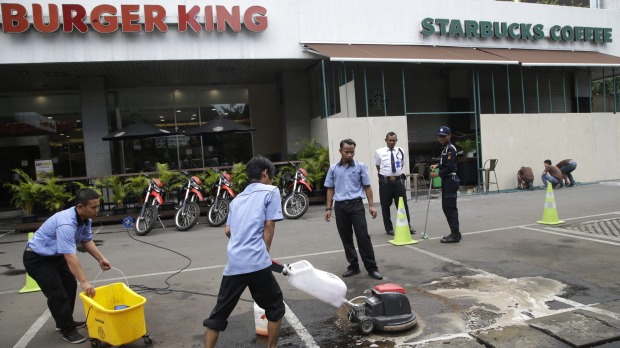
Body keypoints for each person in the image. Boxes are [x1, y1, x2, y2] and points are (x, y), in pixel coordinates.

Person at [204, 156, 285, 348]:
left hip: (234, 264)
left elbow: (228, 231)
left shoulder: (237, 199)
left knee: (218, 315)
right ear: (265, 173)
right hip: (257, 263)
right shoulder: (271, 191)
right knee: (275, 307)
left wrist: (241, 243)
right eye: (270, 176)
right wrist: (264, 251)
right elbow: (269, 225)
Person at [23, 188, 112, 344]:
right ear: (79, 207)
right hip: (37, 259)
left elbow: (86, 240)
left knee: (70, 285)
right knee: (57, 293)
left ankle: (64, 321)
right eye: (93, 207)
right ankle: (67, 330)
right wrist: (84, 281)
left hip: (54, 256)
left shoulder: (85, 219)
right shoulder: (66, 223)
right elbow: (70, 255)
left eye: (98, 206)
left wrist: (101, 258)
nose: (97, 210)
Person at [324, 139, 383, 280]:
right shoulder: (333, 169)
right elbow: (330, 189)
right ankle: (353, 266)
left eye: (352, 151)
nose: (350, 154)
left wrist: (371, 205)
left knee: (363, 237)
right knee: (346, 238)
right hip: (340, 207)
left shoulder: (360, 167)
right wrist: (328, 208)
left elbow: (367, 186)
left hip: (356, 205)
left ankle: (372, 268)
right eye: (347, 152)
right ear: (340, 151)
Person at [375, 132, 416, 236]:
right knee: (385, 205)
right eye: (390, 140)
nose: (392, 142)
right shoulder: (379, 152)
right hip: (385, 182)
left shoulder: (401, 151)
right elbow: (378, 166)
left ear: (396, 140)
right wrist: (386, 175)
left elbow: (401, 165)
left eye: (394, 140)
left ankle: (407, 226)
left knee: (403, 204)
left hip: (398, 181)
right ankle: (389, 228)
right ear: (386, 140)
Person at [430, 126, 462, 244]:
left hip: (450, 180)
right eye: (440, 136)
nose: (441, 138)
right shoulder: (445, 149)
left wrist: (437, 174)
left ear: (449, 136)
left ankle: (455, 234)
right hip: (447, 180)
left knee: (449, 207)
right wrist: (437, 165)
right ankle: (455, 232)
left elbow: (451, 166)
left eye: (444, 136)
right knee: (447, 207)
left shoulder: (450, 149)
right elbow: (446, 162)